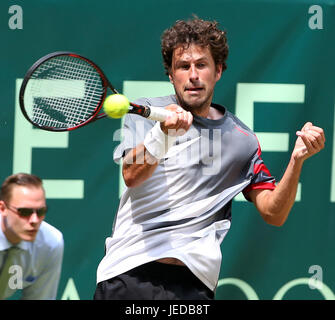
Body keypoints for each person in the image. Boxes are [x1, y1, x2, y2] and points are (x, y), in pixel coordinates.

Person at [94, 17, 325, 300]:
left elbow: (274, 213)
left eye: (201, 65)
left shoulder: (241, 140)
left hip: (194, 284)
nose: (193, 75)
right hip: (130, 273)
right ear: (171, 75)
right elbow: (131, 175)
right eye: (183, 66)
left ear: (218, 71)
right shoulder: (146, 112)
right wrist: (163, 134)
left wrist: (297, 160)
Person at [0, 173, 64, 300]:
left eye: (40, 211)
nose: (34, 220)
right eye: (24, 212)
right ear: (3, 208)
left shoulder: (51, 243)